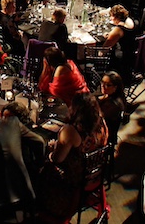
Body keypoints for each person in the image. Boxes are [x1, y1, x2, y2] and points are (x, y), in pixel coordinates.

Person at [37, 93, 109, 222]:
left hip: (77, 177)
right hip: (96, 173)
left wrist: (52, 148)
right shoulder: (101, 123)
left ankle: (43, 208)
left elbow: (57, 159)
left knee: (43, 168)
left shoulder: (70, 131)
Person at [102, 4, 137, 72]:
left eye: (111, 16)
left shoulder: (118, 30)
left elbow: (105, 48)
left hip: (118, 59)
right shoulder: (128, 24)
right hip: (129, 56)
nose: (110, 18)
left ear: (116, 17)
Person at [97, 71, 126, 144]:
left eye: (108, 85)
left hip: (105, 138)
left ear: (115, 87)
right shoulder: (107, 95)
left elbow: (98, 118)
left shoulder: (115, 105)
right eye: (102, 82)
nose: (103, 86)